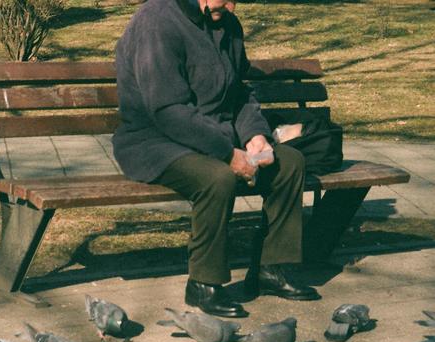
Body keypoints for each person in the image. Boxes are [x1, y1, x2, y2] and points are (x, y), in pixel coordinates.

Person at [113, 0, 320, 318]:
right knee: (217, 177)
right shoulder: (156, 22)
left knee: (289, 163)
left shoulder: (228, 24)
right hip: (154, 142)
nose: (232, 5)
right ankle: (203, 285)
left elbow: (238, 94)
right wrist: (227, 153)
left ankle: (271, 270)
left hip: (214, 137)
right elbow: (168, 111)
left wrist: (255, 135)